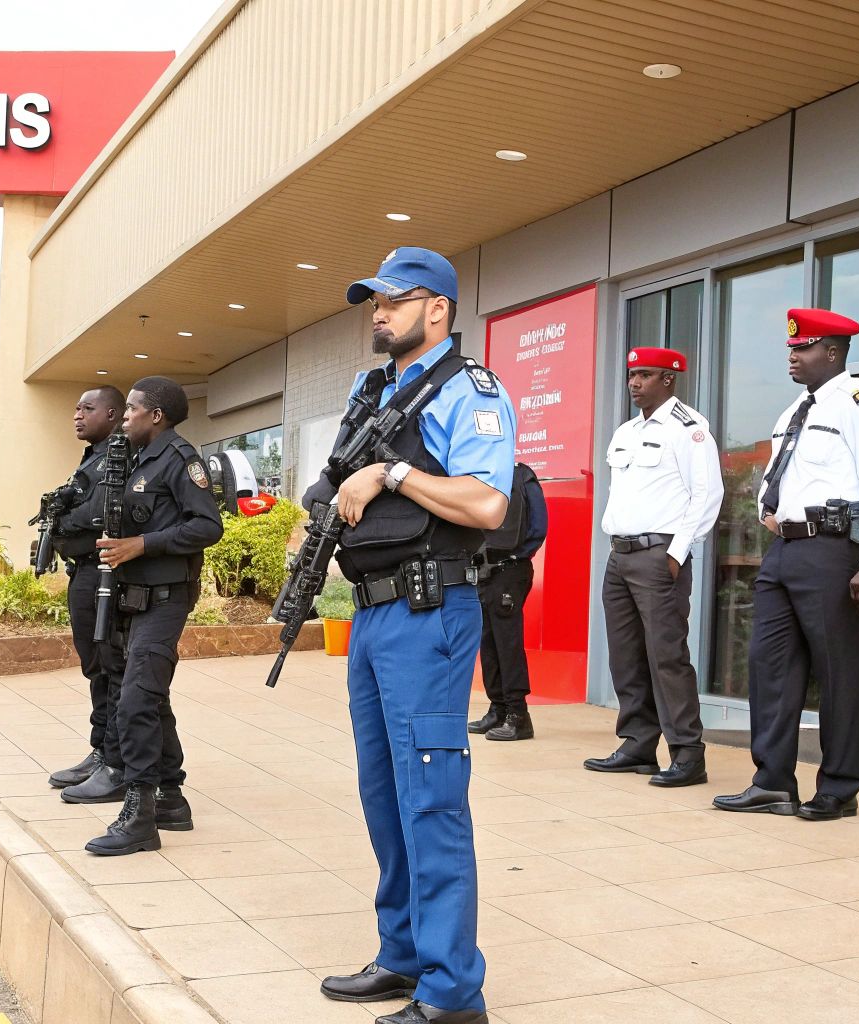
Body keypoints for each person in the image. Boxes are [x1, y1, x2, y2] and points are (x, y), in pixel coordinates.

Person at [316, 247, 513, 1024]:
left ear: (437, 309)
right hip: (372, 615)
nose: (380, 312)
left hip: (430, 615)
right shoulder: (373, 391)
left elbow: (487, 504)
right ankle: (402, 952)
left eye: (394, 300)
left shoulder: (470, 390)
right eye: (375, 301)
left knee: (430, 796)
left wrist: (391, 475)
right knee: (384, 792)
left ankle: (453, 990)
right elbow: (337, 484)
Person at [713, 308, 859, 821]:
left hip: (833, 550)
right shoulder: (794, 410)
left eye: (803, 348)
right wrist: (767, 512)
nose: (793, 357)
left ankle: (839, 787)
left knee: (837, 672)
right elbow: (775, 475)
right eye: (792, 349)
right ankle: (772, 782)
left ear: (833, 352)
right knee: (769, 666)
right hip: (785, 549)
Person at [83, 376, 223, 856]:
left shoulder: (181, 460)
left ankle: (139, 815)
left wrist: (142, 544)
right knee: (148, 696)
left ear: (156, 415)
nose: (124, 417)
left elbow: (208, 526)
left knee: (136, 700)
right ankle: (170, 798)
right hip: (134, 598)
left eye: (132, 409)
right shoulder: (138, 459)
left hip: (167, 599)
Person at [587, 347, 722, 786]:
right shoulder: (626, 431)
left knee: (667, 657)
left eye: (645, 375)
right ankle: (638, 744)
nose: (634, 382)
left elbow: (707, 495)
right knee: (625, 655)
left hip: (659, 555)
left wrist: (678, 552)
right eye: (632, 374)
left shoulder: (689, 428)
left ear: (669, 379)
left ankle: (687, 753)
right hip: (620, 556)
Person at [45, 386, 135, 804]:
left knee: (110, 664)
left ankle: (113, 760)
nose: (77, 415)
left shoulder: (119, 455)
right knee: (95, 665)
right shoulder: (93, 456)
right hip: (83, 571)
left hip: (106, 573)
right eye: (76, 408)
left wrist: (62, 521)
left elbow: (99, 510)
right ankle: (100, 751)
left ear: (113, 414)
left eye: (87, 408)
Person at [467, 461, 546, 742]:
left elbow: (538, 526)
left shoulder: (521, 475)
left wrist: (516, 555)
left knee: (507, 643)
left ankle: (518, 715)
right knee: (489, 642)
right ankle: (498, 709)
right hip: (483, 571)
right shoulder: (481, 475)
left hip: (510, 570)